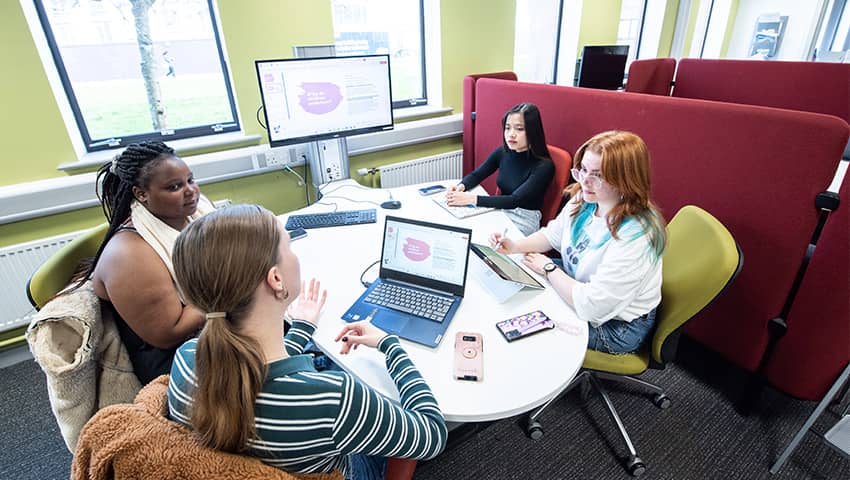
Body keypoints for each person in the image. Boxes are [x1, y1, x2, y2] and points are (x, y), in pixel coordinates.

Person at [167, 205, 447, 479]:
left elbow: (259, 373)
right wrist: (391, 345)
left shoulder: (186, 359)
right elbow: (432, 435)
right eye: (289, 246)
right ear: (276, 279)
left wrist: (302, 327)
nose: (294, 255)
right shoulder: (335, 400)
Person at [490, 131, 666, 354]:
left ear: (626, 180)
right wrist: (515, 246)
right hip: (580, 284)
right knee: (517, 275)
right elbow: (551, 235)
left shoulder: (637, 236)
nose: (584, 181)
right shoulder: (587, 197)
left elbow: (592, 306)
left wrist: (549, 268)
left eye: (598, 175)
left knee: (526, 329)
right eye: (582, 170)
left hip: (617, 326)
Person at [77, 141, 215, 384]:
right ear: (141, 194)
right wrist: (230, 284)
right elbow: (168, 333)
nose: (191, 191)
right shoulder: (129, 254)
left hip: (203, 323)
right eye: (174, 187)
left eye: (190, 180)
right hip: (171, 359)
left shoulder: (192, 214)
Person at [446, 102, 554, 235]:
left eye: (519, 129)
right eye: (507, 128)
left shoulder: (544, 166)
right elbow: (477, 175)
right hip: (501, 210)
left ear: (532, 131)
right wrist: (461, 187)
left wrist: (470, 199)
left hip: (524, 219)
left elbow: (515, 200)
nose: (511, 134)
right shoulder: (503, 152)